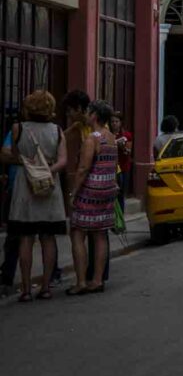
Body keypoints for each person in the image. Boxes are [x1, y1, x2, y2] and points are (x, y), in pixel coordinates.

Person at [4, 91, 67, 301]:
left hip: (25, 184)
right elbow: (63, 160)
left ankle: (25, 289)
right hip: (49, 185)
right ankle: (46, 286)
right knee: (48, 238)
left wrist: (28, 164)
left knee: (26, 238)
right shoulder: (57, 131)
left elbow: (13, 154)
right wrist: (49, 171)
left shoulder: (18, 129)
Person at [68, 100, 119, 295]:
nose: (86, 115)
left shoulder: (92, 139)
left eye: (89, 112)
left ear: (95, 116)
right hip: (107, 189)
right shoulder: (112, 138)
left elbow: (83, 168)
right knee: (100, 234)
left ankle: (81, 281)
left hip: (90, 191)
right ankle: (97, 280)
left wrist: (74, 192)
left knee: (78, 233)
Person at [0, 113, 20, 297]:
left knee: (45, 236)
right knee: (15, 236)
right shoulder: (17, 130)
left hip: (38, 189)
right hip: (17, 188)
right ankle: (7, 277)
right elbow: (4, 154)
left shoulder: (53, 131)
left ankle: (51, 274)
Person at [110, 111, 133, 211]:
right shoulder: (108, 135)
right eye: (112, 121)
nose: (114, 123)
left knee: (121, 193)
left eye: (116, 121)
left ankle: (121, 216)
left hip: (123, 167)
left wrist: (122, 147)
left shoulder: (127, 135)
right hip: (112, 168)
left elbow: (128, 152)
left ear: (120, 123)